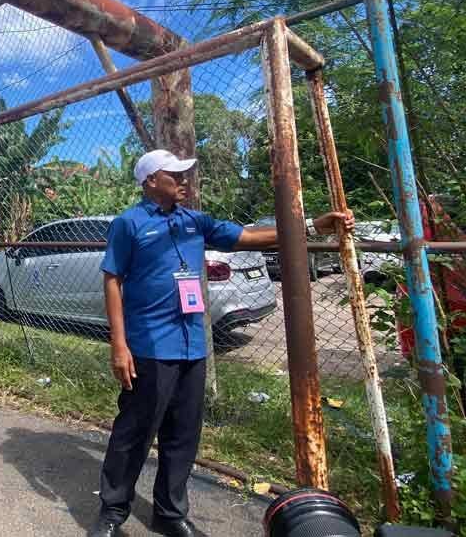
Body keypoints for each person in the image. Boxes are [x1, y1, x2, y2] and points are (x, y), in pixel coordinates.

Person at [91, 150, 354, 537]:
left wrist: (314, 225)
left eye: (185, 175)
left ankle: (169, 513)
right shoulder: (128, 224)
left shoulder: (194, 221)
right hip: (149, 345)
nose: (184, 181)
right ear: (150, 181)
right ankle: (112, 512)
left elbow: (251, 236)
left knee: (183, 435)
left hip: (194, 345)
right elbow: (112, 279)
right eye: (174, 175)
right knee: (134, 432)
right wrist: (119, 345)